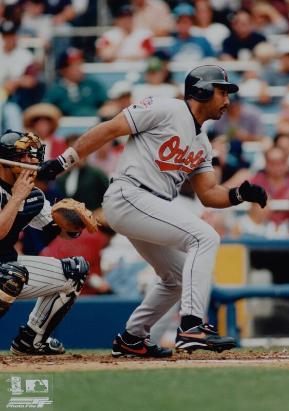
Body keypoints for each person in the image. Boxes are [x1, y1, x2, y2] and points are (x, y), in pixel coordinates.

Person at [38, 64, 267, 358]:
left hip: (149, 205)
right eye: (222, 92)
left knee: (176, 278)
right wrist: (62, 162)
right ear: (201, 90)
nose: (227, 100)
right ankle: (192, 325)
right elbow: (110, 128)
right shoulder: (165, 108)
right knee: (205, 237)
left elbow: (209, 194)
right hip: (129, 193)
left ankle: (132, 338)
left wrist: (238, 195)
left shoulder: (202, 142)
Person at [0, 130, 89, 355]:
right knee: (11, 275)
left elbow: (58, 230)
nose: (32, 162)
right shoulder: (19, 193)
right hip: (6, 272)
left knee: (75, 271)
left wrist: (74, 224)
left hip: (7, 264)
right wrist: (17, 196)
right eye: (24, 156)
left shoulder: (34, 195)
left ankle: (31, 340)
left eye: (34, 156)